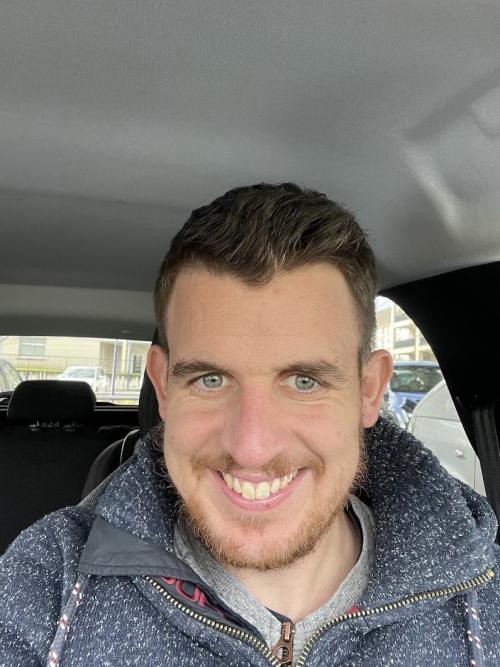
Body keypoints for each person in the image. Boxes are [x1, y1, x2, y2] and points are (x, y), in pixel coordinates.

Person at [0, 183, 499, 667]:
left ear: (369, 391)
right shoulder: (46, 586)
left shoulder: (484, 599)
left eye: (304, 382)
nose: (252, 448)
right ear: (163, 388)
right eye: (211, 379)